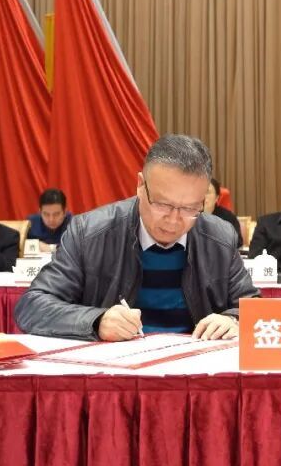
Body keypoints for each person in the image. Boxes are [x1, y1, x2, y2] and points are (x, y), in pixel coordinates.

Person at [15, 134, 259, 341]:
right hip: (114, 372)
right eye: (162, 204)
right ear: (141, 185)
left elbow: (254, 309)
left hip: (194, 370)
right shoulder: (89, 233)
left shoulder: (219, 237)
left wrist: (234, 320)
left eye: (190, 208)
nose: (174, 220)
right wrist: (96, 321)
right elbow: (32, 307)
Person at [205, 178, 242, 249]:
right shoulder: (189, 216)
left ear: (216, 197)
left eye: (207, 192)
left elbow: (237, 241)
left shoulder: (228, 217)